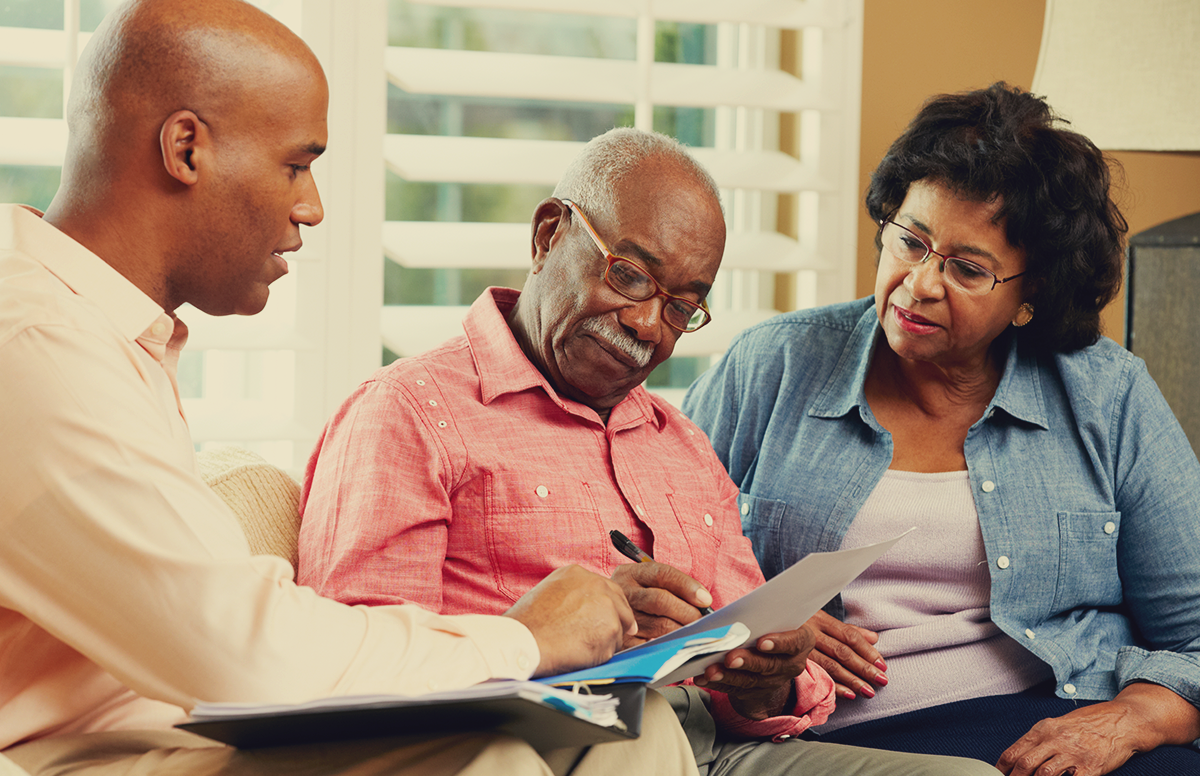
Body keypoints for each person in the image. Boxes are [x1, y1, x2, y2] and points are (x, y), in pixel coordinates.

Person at [0, 2, 704, 774]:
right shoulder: (33, 346)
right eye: (296, 164)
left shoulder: (102, 329)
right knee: (491, 755)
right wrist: (524, 637)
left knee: (636, 727)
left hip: (180, 732)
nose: (312, 207)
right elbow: (242, 652)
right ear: (186, 147)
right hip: (90, 756)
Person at [298, 127, 1000, 776]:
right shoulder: (410, 412)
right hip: (543, 746)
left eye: (679, 307)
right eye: (629, 275)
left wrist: (771, 674)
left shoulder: (682, 441)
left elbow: (756, 673)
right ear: (548, 235)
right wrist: (575, 638)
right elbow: (361, 672)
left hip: (717, 749)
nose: (645, 324)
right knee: (639, 726)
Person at [682, 82, 1200, 776]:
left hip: (1054, 717)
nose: (921, 283)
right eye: (912, 241)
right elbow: (649, 555)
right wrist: (762, 624)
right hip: (828, 736)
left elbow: (1194, 631)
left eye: (967, 268)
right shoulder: (774, 364)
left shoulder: (1106, 394)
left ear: (1032, 294)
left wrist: (1131, 718)